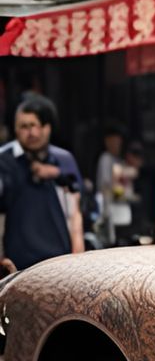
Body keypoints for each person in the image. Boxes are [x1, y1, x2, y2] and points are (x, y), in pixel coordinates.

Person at [0, 93, 86, 275]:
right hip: (18, 268)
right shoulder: (4, 161)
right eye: (24, 126)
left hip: (61, 265)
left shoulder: (63, 160)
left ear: (48, 128)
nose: (32, 132)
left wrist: (79, 261)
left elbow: (75, 214)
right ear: (15, 129)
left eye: (37, 125)